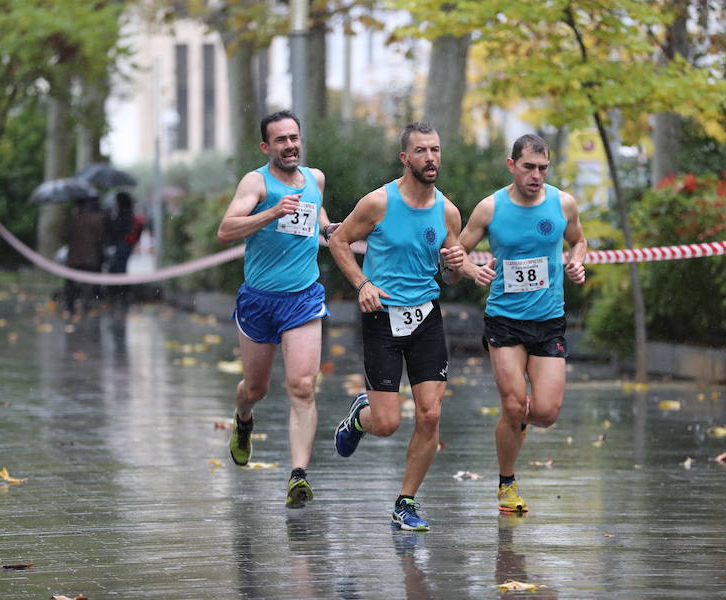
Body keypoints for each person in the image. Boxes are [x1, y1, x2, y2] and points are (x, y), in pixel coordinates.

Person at [328, 122, 486, 531]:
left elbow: (450, 272)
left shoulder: (448, 211)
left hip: (426, 318)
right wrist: (362, 283)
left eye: (435, 149)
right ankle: (360, 416)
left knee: (430, 415)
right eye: (421, 151)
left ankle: (406, 502)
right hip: (382, 317)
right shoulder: (378, 203)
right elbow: (338, 241)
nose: (430, 158)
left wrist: (458, 270)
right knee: (387, 424)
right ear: (405, 158)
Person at [442, 133, 587, 514]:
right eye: (529, 167)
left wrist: (576, 262)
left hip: (549, 320)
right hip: (505, 320)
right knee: (511, 405)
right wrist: (472, 271)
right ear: (512, 165)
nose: (536, 175)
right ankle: (507, 483)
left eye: (543, 168)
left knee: (546, 412)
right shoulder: (490, 208)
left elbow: (578, 240)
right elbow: (457, 255)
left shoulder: (563, 203)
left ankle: (516, 426)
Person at [216, 110, 331, 507]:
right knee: (256, 388)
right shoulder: (256, 182)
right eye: (281, 140)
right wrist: (270, 212)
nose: (290, 145)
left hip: (303, 298)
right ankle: (243, 420)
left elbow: (319, 221)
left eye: (294, 137)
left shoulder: (315, 179)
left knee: (302, 386)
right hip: (260, 300)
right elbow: (226, 229)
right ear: (266, 147)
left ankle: (298, 474)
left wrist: (334, 231)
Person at [62, 195, 106, 316]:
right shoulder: (96, 219)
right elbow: (101, 238)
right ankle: (85, 307)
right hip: (90, 257)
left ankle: (70, 308)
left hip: (74, 257)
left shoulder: (73, 219)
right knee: (87, 283)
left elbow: (64, 236)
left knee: (70, 283)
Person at [105, 191, 143, 307]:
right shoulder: (130, 214)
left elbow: (116, 231)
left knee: (117, 270)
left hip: (121, 246)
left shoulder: (122, 215)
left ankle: (119, 294)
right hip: (126, 245)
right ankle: (122, 294)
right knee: (121, 269)